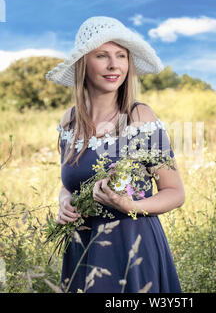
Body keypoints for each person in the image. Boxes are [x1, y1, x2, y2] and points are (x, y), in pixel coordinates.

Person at [46, 16, 185, 293]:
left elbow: (175, 192)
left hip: (132, 250)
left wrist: (130, 205)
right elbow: (69, 182)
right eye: (102, 55)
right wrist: (65, 202)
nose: (114, 65)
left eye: (121, 56)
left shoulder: (139, 117)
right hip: (82, 251)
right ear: (83, 63)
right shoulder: (69, 121)